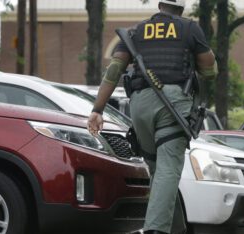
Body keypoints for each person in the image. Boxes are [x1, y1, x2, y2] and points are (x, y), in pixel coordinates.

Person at [87, 0, 217, 233]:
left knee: (159, 172)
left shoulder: (136, 31)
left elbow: (114, 71)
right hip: (173, 107)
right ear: (181, 8)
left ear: (159, 5)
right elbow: (209, 69)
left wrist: (97, 110)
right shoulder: (189, 29)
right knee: (168, 170)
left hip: (139, 107)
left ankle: (177, 229)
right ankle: (155, 230)